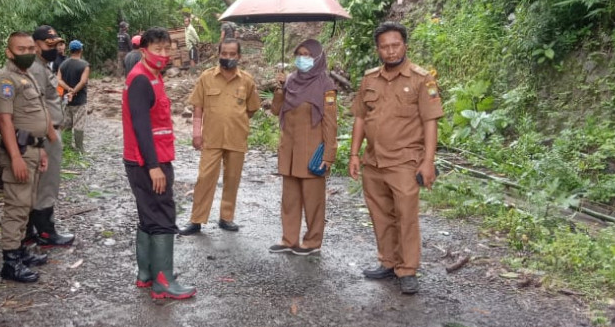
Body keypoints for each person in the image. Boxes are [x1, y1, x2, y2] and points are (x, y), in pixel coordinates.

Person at [349, 22, 443, 295]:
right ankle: (388, 262)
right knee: (379, 214)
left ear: (405, 45)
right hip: (373, 161)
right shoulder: (369, 79)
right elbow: (360, 118)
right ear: (378, 49)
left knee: (406, 216)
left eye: (395, 45)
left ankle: (408, 269)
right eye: (384, 46)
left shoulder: (421, 79)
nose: (390, 51)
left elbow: (430, 122)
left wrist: (428, 161)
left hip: (404, 161)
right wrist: (354, 154)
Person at [123, 27, 196, 299]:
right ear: (144, 51)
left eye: (167, 49)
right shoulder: (142, 79)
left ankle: (147, 273)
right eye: (158, 49)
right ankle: (163, 282)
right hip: (148, 162)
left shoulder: (152, 76)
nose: (163, 55)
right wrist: (153, 166)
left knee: (149, 214)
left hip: (149, 158)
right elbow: (141, 126)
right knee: (163, 216)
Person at [0, 31, 56, 284]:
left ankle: (19, 251)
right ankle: (10, 262)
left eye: (31, 48)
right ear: (9, 52)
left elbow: (38, 111)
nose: (28, 53)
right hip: (18, 153)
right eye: (22, 49)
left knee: (26, 205)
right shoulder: (5, 79)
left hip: (32, 149)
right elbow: (4, 121)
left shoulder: (27, 75)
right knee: (16, 209)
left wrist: (41, 148)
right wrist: (16, 156)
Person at [179, 39, 260, 235]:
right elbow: (198, 108)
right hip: (211, 138)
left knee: (232, 179)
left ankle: (226, 218)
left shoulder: (247, 80)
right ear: (219, 54)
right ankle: (196, 220)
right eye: (225, 53)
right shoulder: (206, 78)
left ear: (239, 56)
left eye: (233, 54)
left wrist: (236, 120)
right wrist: (197, 133)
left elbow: (251, 109)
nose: (228, 57)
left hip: (236, 138)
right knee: (205, 177)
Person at [269, 39, 337, 256]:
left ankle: (312, 241)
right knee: (289, 199)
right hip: (289, 149)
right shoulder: (289, 80)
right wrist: (279, 89)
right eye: (299, 53)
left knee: (313, 200)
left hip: (312, 152)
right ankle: (289, 239)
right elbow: (275, 110)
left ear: (317, 58)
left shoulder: (325, 85)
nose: (302, 58)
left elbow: (330, 121)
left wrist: (329, 154)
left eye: (307, 54)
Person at [25, 25, 76, 247]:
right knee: (47, 184)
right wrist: (49, 135)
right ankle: (46, 231)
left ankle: (31, 231)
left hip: (51, 130)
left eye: (56, 44)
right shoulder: (36, 69)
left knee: (41, 183)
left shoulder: (44, 67)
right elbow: (36, 105)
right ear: (36, 46)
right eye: (49, 45)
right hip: (46, 133)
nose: (53, 48)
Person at [57, 39, 91, 153]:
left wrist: (68, 90)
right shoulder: (85, 65)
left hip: (66, 100)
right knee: (79, 124)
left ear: (70, 50)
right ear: (80, 50)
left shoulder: (63, 64)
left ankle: (67, 146)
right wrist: (74, 91)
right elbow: (83, 81)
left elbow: (58, 79)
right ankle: (79, 148)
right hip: (80, 100)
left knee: (67, 123)